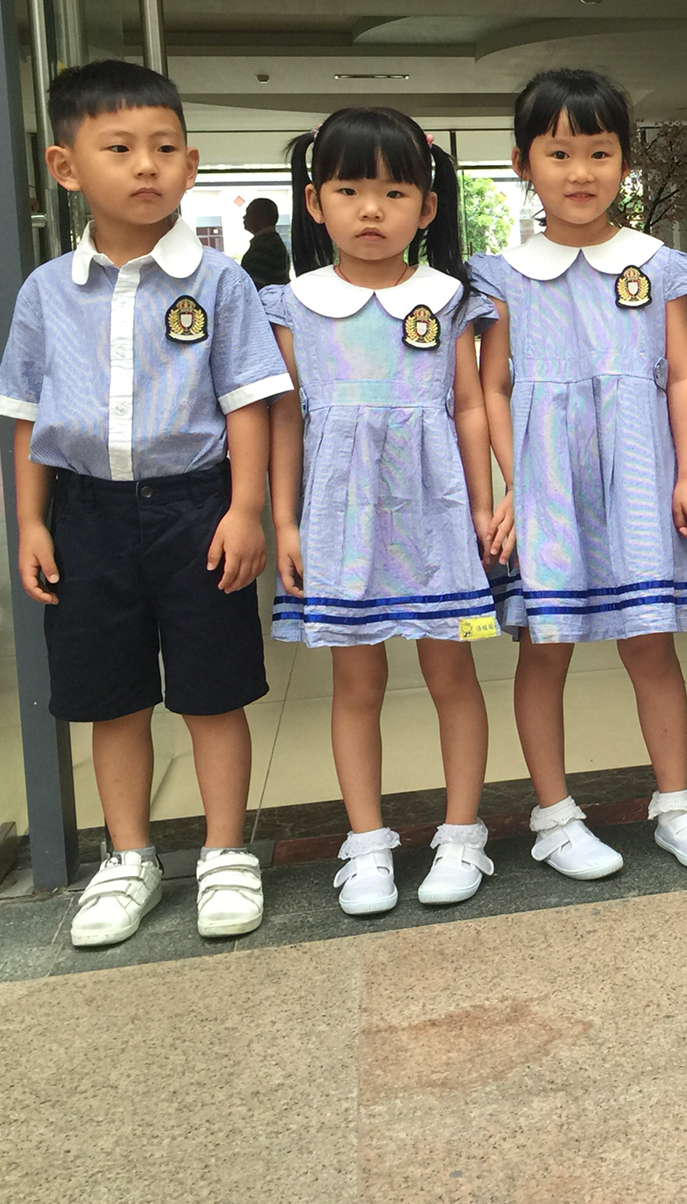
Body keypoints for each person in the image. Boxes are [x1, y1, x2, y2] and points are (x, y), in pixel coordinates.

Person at [0, 59, 292, 948]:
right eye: (118, 148)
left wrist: (244, 509)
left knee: (213, 690)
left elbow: (247, 402)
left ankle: (226, 851)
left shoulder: (220, 282)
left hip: (196, 509)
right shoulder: (47, 291)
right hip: (85, 515)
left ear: (191, 164)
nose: (146, 165)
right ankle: (129, 857)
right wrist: (32, 521)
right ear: (65, 166)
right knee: (110, 697)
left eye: (164, 147)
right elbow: (28, 412)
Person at [472, 69, 687, 878]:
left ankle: (676, 804)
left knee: (651, 645)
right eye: (559, 153)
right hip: (546, 487)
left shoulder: (656, 264)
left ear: (626, 161)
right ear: (523, 163)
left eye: (599, 152)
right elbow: (492, 386)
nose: (580, 172)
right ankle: (554, 816)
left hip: (640, 482)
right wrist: (514, 486)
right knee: (544, 651)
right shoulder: (504, 274)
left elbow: (682, 375)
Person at [268, 107, 504, 916]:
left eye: (395, 192)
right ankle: (367, 844)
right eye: (348, 190)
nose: (371, 209)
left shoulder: (447, 299)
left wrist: (484, 502)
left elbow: (467, 404)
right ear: (315, 202)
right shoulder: (293, 305)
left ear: (427, 207)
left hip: (436, 511)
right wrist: (285, 523)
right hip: (340, 516)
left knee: (451, 671)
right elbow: (284, 420)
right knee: (356, 680)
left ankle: (462, 832)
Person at [239, 197, 291, 288]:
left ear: (261, 217)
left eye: (249, 213)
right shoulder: (271, 241)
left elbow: (255, 285)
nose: (244, 217)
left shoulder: (265, 245)